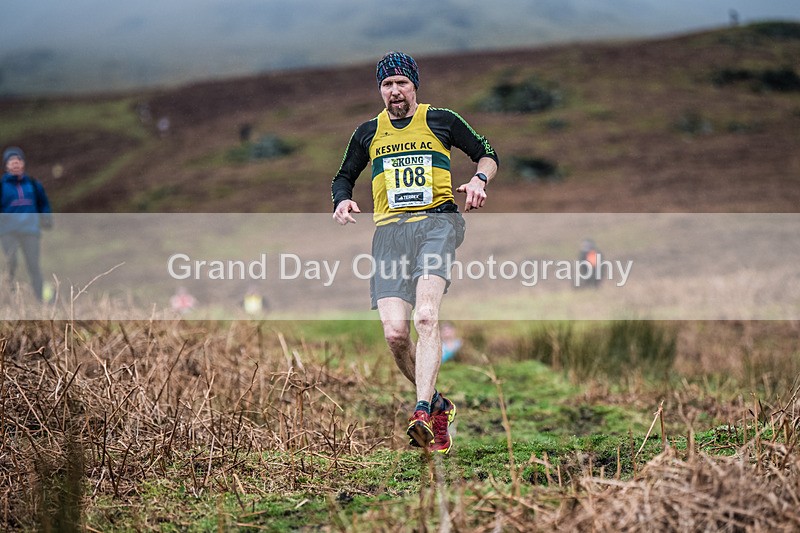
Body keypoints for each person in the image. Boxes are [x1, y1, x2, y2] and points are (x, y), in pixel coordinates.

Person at [331, 52, 499, 454]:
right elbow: (343, 176)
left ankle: (421, 411)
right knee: (394, 335)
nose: (394, 92)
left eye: (401, 83)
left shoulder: (441, 120)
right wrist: (341, 200)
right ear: (380, 91)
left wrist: (478, 179)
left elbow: (488, 153)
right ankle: (439, 403)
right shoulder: (367, 132)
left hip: (436, 225)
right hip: (389, 235)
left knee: (426, 315)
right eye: (387, 85)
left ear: (414, 86)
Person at [1, 147, 53, 301]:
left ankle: (40, 300)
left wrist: (46, 218)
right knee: (11, 263)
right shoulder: (2, 186)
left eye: (18, 160)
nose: (15, 164)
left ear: (23, 164)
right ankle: (9, 297)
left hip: (30, 230)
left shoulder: (33, 185)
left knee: (34, 265)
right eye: (12, 161)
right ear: (6, 165)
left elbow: (43, 203)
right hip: (8, 231)